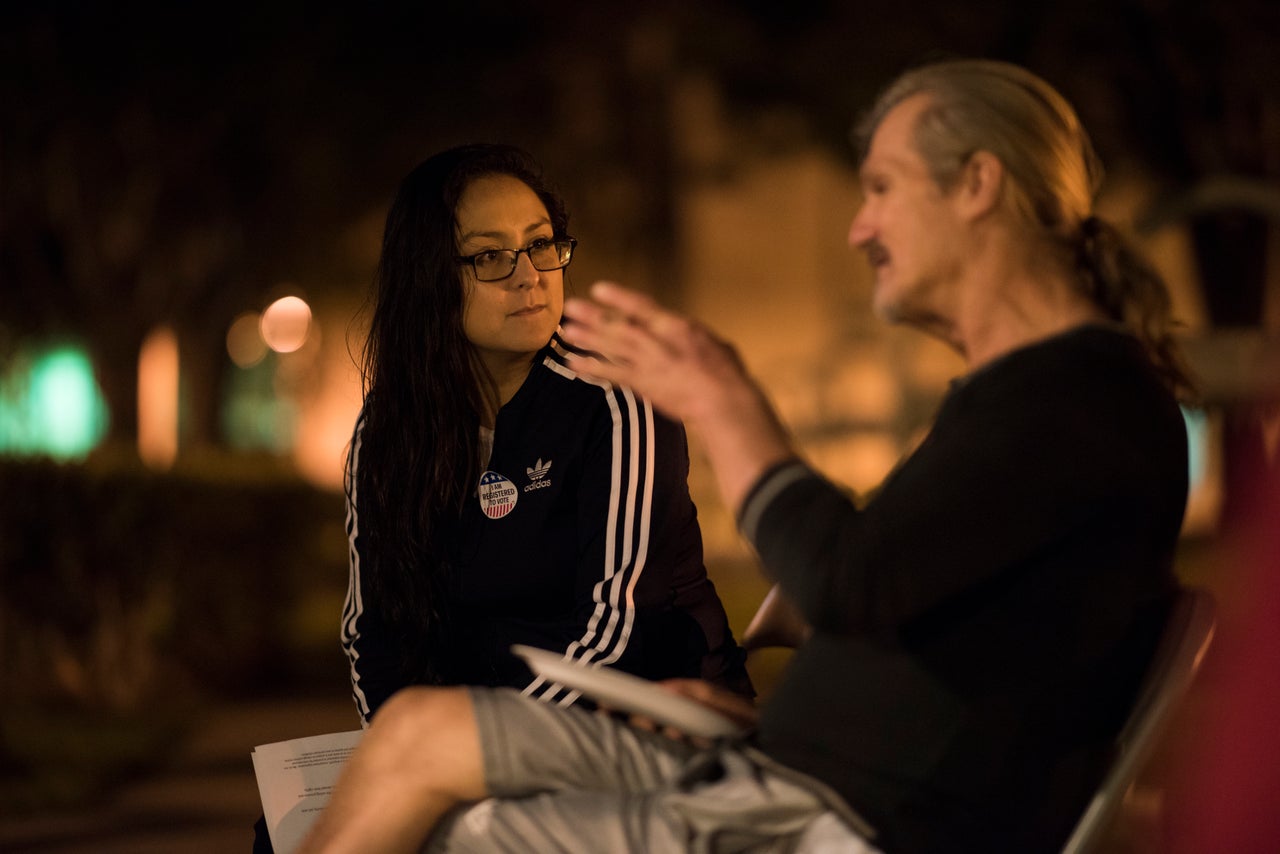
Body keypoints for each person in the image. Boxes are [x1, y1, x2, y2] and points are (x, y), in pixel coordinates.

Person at [297, 59, 1194, 854]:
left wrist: (725, 403)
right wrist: (787, 650)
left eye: (881, 186)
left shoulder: (1075, 402)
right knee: (406, 755)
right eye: (491, 259)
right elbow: (884, 591)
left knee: (440, 812)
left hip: (813, 815)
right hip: (773, 776)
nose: (859, 227)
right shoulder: (1037, 400)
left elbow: (851, 581)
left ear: (979, 186)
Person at [339, 143, 752, 721]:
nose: (529, 276)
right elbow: (372, 630)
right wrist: (394, 739)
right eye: (489, 257)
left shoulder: (614, 399)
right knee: (293, 815)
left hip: (649, 723)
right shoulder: (388, 430)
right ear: (427, 278)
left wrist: (466, 746)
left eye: (539, 244)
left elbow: (615, 634)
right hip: (465, 744)